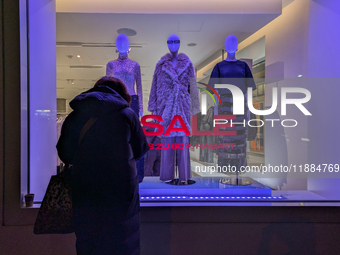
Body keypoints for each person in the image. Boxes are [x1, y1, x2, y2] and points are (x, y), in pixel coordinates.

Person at [57, 76, 149, 255]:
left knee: (89, 242)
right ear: (122, 93)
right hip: (121, 191)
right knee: (123, 241)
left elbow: (65, 153)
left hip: (85, 189)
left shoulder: (76, 115)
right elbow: (141, 150)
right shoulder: (127, 115)